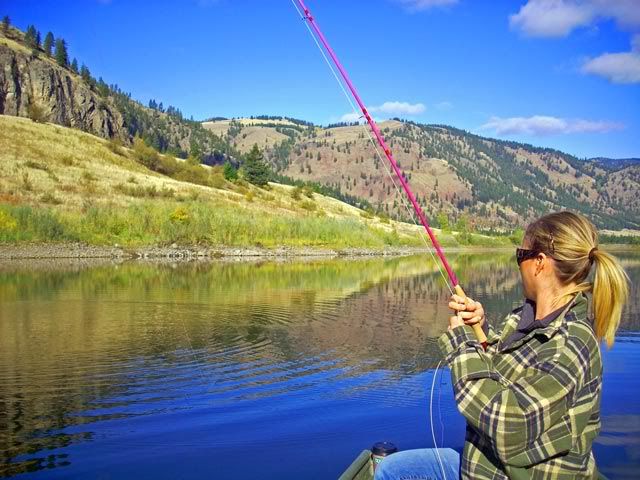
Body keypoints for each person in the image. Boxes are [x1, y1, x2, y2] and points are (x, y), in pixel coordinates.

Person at [374, 211, 628, 479]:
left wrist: (461, 344)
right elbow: (502, 372)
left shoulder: (570, 344)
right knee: (393, 469)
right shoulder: (524, 317)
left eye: (521, 255)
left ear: (539, 263)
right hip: (486, 465)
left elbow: (507, 424)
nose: (517, 264)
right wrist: (479, 329)